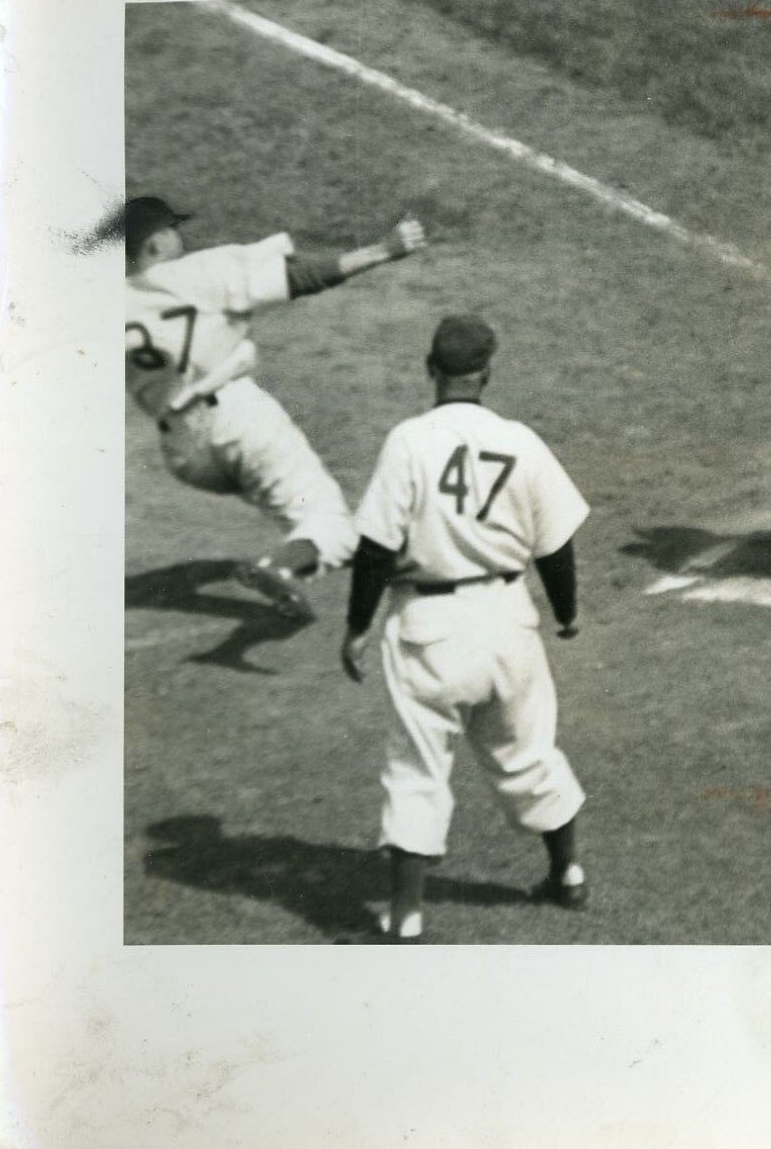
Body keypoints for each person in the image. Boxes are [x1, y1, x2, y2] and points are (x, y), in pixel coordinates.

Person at [340, 315, 590, 940]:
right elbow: (556, 547)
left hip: (429, 626)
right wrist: (566, 614)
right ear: (487, 375)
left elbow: (374, 547)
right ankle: (569, 876)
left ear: (430, 370)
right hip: (508, 621)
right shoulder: (522, 441)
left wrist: (356, 626)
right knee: (529, 753)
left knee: (418, 767)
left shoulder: (407, 441)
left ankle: (405, 914)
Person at [124, 196, 426, 621]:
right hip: (237, 421)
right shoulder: (195, 273)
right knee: (330, 523)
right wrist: (384, 250)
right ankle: (282, 566)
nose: (182, 238)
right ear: (154, 244)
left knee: (295, 509)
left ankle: (339, 554)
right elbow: (300, 277)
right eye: (174, 231)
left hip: (185, 453)